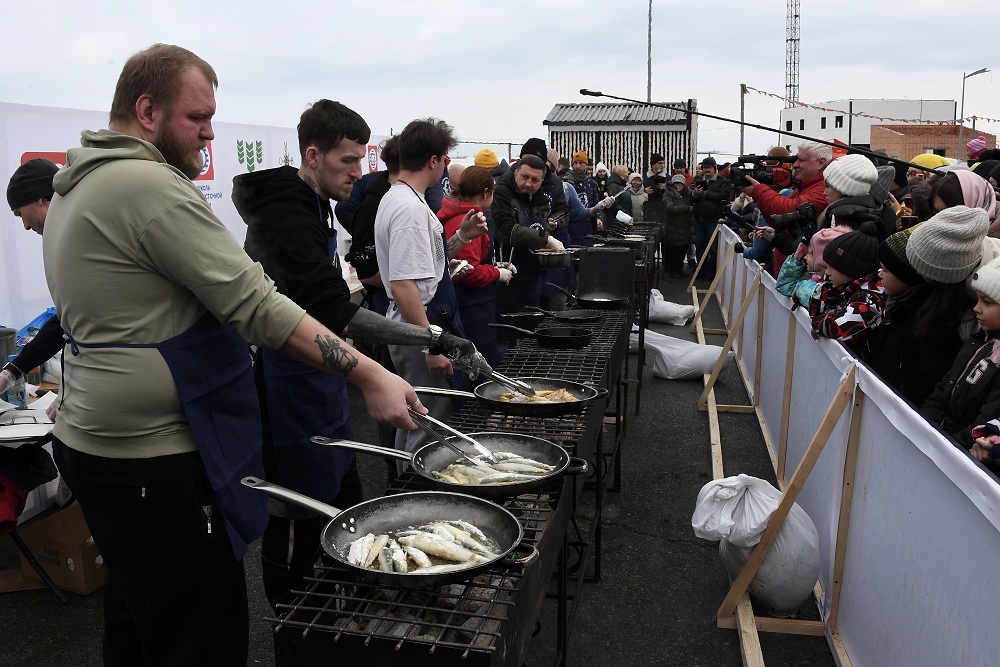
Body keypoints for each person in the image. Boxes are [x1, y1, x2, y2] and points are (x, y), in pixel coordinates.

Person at [40, 44, 421, 666]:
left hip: (97, 446)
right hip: (152, 461)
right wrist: (372, 371)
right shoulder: (146, 185)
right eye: (197, 117)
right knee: (200, 637)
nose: (209, 133)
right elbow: (258, 305)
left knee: (139, 627)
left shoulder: (77, 184)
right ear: (146, 110)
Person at [231, 99, 487, 647]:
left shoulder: (316, 202)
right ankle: (295, 630)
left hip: (321, 382)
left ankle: (341, 622)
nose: (359, 170)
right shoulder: (287, 213)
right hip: (287, 385)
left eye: (361, 158)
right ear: (313, 154)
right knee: (297, 514)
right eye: (348, 161)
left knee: (343, 505)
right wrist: (431, 337)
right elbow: (333, 307)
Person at [375, 118, 480, 468]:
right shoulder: (407, 209)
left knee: (415, 421)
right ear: (434, 160)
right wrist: (431, 345)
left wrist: (461, 237)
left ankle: (407, 488)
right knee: (429, 428)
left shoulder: (406, 200)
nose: (446, 166)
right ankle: (417, 498)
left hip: (420, 325)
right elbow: (405, 286)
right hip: (421, 326)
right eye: (446, 159)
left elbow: (427, 267)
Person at [868, 226, 966, 406]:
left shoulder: (930, 322)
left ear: (909, 276)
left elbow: (930, 383)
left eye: (886, 270)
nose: (879, 274)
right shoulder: (898, 304)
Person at [1, 159, 65, 407]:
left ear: (40, 198)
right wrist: (13, 370)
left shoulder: (81, 236)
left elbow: (83, 320)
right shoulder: (61, 235)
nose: (25, 225)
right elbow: (68, 318)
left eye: (20, 214)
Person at [923, 246, 1000, 452]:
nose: (976, 308)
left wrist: (946, 447)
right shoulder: (978, 341)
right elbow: (944, 387)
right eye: (977, 299)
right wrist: (922, 424)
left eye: (988, 302)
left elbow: (984, 423)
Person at [437, 166, 512, 367]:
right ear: (485, 193)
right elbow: (466, 271)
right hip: (471, 309)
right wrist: (497, 273)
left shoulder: (458, 214)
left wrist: (497, 265)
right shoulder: (470, 221)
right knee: (479, 369)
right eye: (492, 192)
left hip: (475, 305)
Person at [491, 146, 569, 328]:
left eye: (534, 180)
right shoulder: (502, 192)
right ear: (516, 172)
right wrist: (546, 239)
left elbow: (550, 218)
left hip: (533, 273)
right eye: (524, 177)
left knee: (535, 325)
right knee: (510, 329)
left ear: (542, 181)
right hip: (509, 272)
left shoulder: (540, 197)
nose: (528, 183)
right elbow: (506, 229)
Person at [807, 221, 885, 360]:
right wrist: (828, 287)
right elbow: (816, 310)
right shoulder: (842, 288)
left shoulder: (871, 297)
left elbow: (837, 326)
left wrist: (818, 325)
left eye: (833, 268)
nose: (827, 273)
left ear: (851, 270)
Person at [690, 156, 733, 280]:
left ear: (714, 168)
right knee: (700, 246)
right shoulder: (698, 179)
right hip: (699, 218)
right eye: (705, 168)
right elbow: (690, 197)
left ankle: (712, 272)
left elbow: (721, 195)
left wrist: (704, 193)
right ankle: (701, 270)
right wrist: (695, 193)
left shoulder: (722, 181)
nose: (706, 170)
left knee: (714, 248)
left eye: (709, 168)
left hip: (713, 219)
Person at [662, 174, 694, 278]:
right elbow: (670, 208)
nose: (678, 186)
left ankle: (679, 269)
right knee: (675, 249)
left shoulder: (688, 194)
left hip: (685, 226)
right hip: (673, 226)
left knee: (683, 249)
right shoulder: (668, 194)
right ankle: (674, 270)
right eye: (676, 183)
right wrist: (687, 208)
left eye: (680, 183)